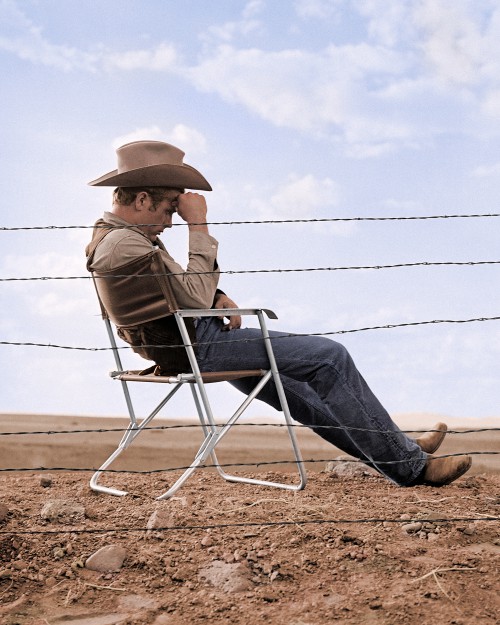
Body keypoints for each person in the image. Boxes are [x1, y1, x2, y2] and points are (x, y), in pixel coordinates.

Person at [86, 140, 472, 487]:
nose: (172, 221)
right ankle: (411, 466)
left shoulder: (119, 239)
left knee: (300, 392)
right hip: (196, 346)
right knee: (329, 357)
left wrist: (216, 294)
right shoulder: (125, 243)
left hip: (186, 342)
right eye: (170, 208)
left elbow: (171, 292)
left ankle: (398, 449)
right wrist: (199, 225)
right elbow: (189, 294)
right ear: (140, 200)